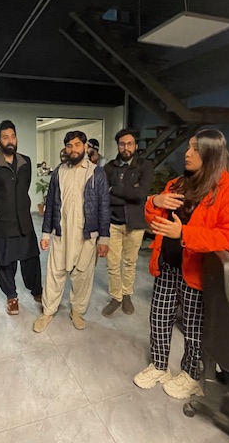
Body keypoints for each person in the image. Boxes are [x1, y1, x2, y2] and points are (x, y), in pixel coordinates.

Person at [133, 129, 229, 400]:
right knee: (159, 317)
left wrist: (184, 233)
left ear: (211, 153)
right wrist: (154, 201)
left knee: (194, 326)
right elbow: (153, 221)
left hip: (197, 271)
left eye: (195, 148)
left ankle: (191, 374)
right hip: (167, 264)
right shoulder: (177, 184)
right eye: (188, 147)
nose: (187, 153)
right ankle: (159, 365)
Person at [33, 130, 110, 332]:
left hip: (86, 235)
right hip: (61, 234)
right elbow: (50, 204)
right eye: (69, 145)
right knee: (54, 273)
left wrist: (104, 239)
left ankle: (77, 311)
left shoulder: (97, 173)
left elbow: (104, 206)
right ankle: (48, 311)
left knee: (82, 276)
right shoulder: (59, 172)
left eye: (77, 145)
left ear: (85, 146)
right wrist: (45, 234)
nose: (73, 149)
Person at [0, 120, 43, 315]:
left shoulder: (25, 162)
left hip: (24, 222)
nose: (10, 140)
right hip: (2, 224)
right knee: (5, 262)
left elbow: (24, 189)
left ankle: (37, 291)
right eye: (5, 137)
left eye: (13, 136)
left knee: (31, 259)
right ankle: (11, 297)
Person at [101, 129, 154, 317]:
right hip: (113, 223)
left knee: (130, 262)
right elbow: (104, 196)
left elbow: (141, 194)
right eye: (122, 144)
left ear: (135, 145)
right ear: (118, 146)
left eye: (130, 144)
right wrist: (130, 192)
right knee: (112, 263)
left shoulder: (145, 166)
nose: (126, 147)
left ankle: (126, 295)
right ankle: (116, 297)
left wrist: (114, 189)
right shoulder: (109, 168)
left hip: (135, 223)